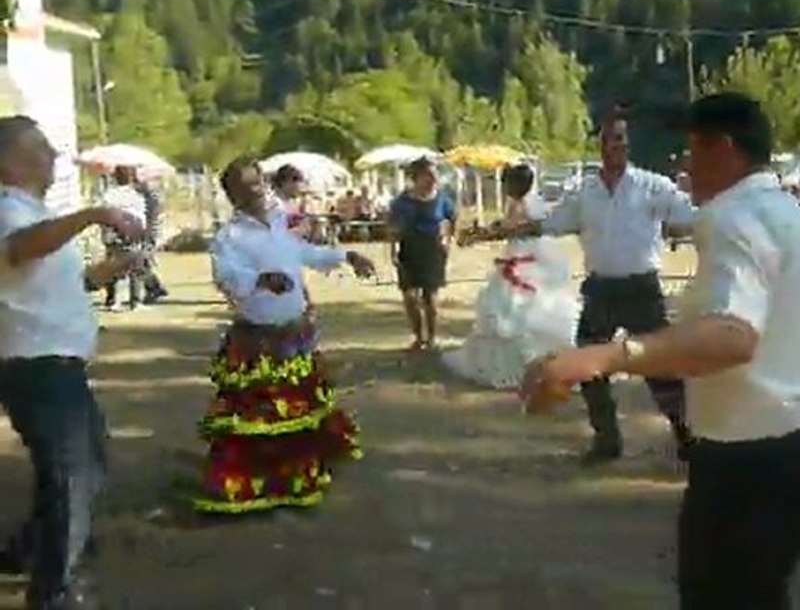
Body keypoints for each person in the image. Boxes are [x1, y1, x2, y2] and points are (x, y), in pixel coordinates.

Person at [522, 94, 800, 609]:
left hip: (751, 447)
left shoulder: (730, 216)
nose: (684, 164)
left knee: (718, 594)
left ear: (723, 148)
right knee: (761, 590)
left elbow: (732, 336)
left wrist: (603, 357)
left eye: (692, 149)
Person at [0, 115, 145, 609]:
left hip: (56, 365)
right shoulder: (7, 211)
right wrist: (93, 215)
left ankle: (28, 550)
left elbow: (52, 283)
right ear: (8, 162)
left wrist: (107, 271)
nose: (54, 157)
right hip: (36, 366)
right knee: (73, 475)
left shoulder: (31, 213)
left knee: (84, 464)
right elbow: (20, 250)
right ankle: (52, 591)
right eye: (40, 148)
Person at [502, 114, 694, 465]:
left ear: (628, 144)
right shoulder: (584, 192)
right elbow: (553, 223)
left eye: (621, 139)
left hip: (641, 289)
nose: (617, 146)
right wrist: (506, 230)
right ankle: (606, 439)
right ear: (601, 146)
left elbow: (691, 216)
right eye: (610, 140)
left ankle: (685, 434)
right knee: (588, 365)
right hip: (601, 289)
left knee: (660, 366)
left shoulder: (652, 186)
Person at [197, 157, 376, 514]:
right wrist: (260, 280)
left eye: (258, 181)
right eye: (246, 186)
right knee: (261, 417)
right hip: (257, 343)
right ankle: (259, 482)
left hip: (293, 336)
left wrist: (346, 255)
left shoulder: (279, 223)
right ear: (232, 195)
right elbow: (225, 276)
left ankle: (298, 476)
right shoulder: (229, 236)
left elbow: (304, 253)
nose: (256, 190)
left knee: (299, 411)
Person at [444, 164, 581, 389]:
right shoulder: (524, 205)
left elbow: (510, 229)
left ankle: (531, 363)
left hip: (522, 264)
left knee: (518, 308)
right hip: (521, 260)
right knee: (513, 306)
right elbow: (506, 226)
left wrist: (481, 235)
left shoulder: (523, 207)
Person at [388, 157, 456, 352]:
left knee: (430, 296)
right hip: (408, 248)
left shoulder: (443, 200)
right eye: (428, 175)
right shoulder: (402, 202)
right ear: (416, 177)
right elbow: (393, 228)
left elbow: (452, 221)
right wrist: (393, 250)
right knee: (409, 295)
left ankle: (432, 337)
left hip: (433, 249)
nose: (433, 179)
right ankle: (419, 336)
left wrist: (447, 240)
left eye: (435, 175)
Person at [100, 166, 147, 311]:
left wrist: (105, 233)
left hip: (113, 234)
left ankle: (114, 300)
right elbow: (141, 216)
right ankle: (135, 301)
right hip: (132, 234)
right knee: (135, 268)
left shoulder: (108, 195)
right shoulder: (136, 196)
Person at [135, 174, 168, 304]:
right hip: (149, 232)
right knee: (144, 262)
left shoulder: (149, 197)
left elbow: (150, 217)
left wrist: (147, 234)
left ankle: (154, 287)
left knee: (142, 262)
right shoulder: (149, 196)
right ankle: (154, 287)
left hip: (149, 233)